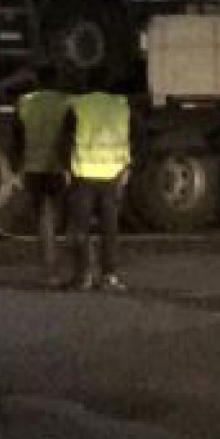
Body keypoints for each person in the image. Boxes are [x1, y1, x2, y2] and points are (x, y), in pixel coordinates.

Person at [61, 78, 136, 292]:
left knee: (80, 228)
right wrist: (128, 167)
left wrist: (66, 168)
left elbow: (65, 141)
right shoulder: (121, 106)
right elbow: (135, 138)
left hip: (83, 175)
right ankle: (109, 276)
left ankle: (83, 276)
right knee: (109, 230)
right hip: (113, 174)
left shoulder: (78, 106)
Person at [12, 64, 73, 286]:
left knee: (43, 218)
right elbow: (69, 136)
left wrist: (16, 167)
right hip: (57, 166)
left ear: (37, 81)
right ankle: (66, 269)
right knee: (60, 216)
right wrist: (68, 166)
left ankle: (49, 271)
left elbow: (17, 138)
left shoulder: (25, 102)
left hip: (33, 166)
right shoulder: (65, 102)